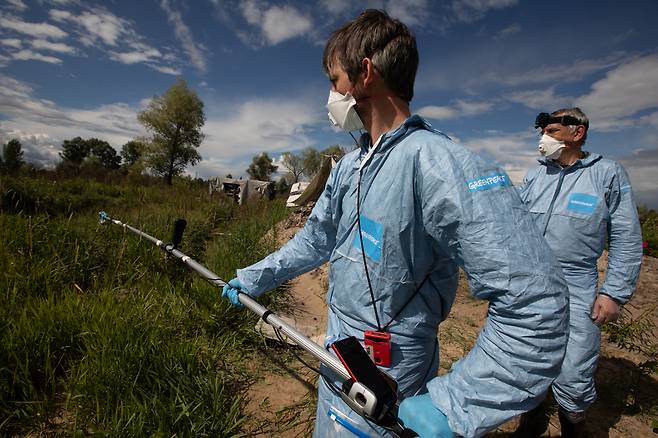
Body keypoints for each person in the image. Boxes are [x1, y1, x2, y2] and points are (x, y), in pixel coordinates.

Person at [223, 10, 569, 438]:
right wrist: (254, 277)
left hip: (393, 376)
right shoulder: (350, 167)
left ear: (364, 73)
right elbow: (315, 241)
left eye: (334, 81)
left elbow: (535, 302)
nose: (330, 95)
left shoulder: (440, 163)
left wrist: (455, 403)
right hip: (336, 355)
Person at [516, 108, 643, 437]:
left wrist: (613, 292)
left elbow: (626, 238)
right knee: (529, 355)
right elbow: (514, 226)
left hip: (576, 286)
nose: (544, 139)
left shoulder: (607, 174)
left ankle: (573, 422)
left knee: (575, 366)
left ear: (578, 133)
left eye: (553, 131)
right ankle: (532, 414)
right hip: (530, 284)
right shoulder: (534, 175)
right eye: (542, 132)